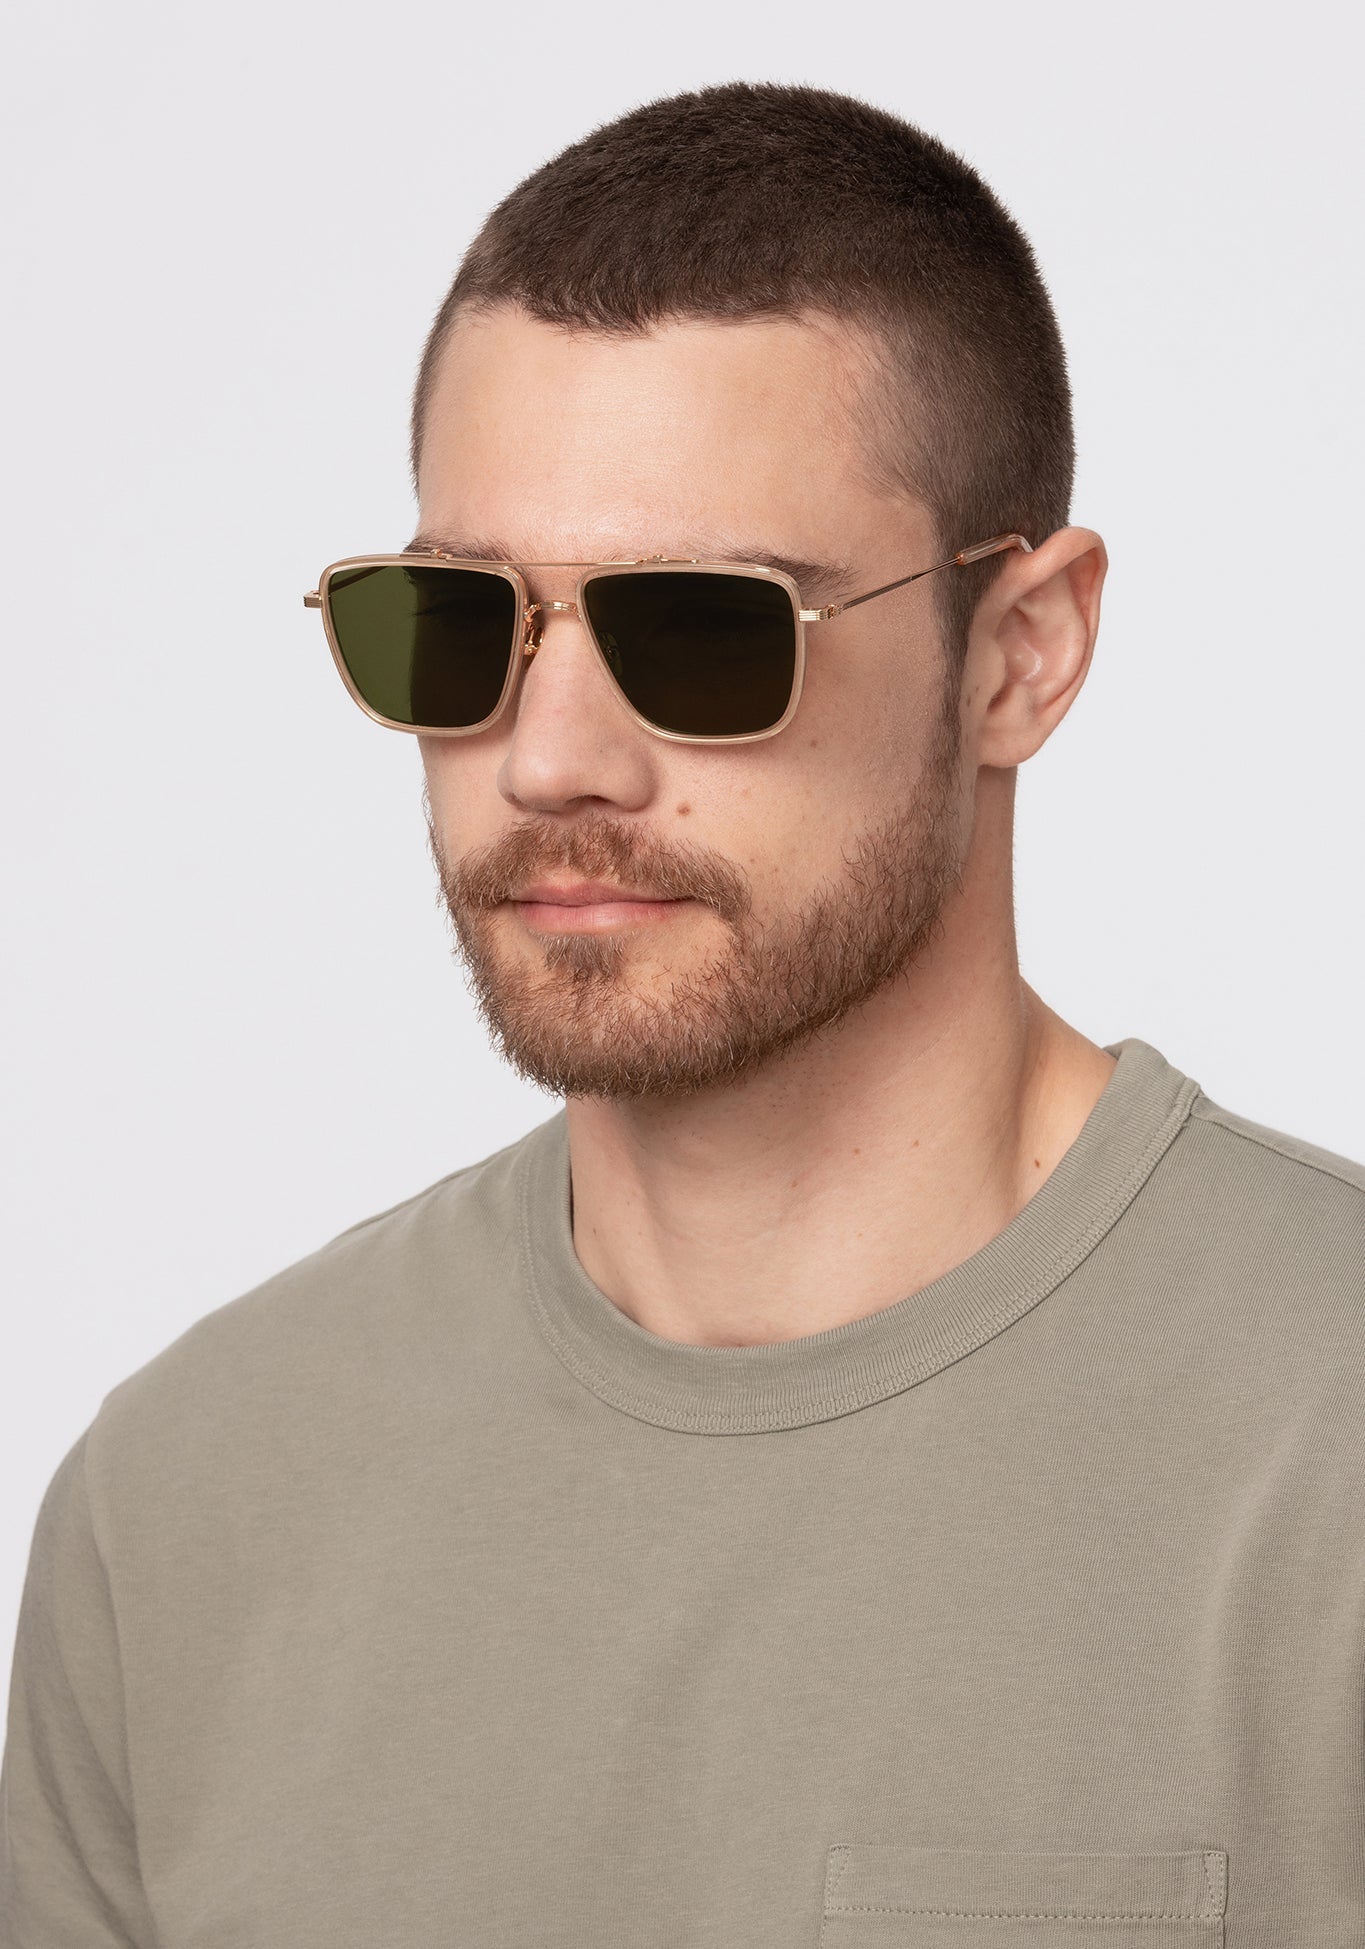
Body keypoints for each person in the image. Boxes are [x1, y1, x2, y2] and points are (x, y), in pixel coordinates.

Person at [2, 81, 1361, 1949]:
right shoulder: (178, 1514)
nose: (549, 757)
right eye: (456, 622)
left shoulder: (1324, 1443)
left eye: (705, 630)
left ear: (1020, 654)